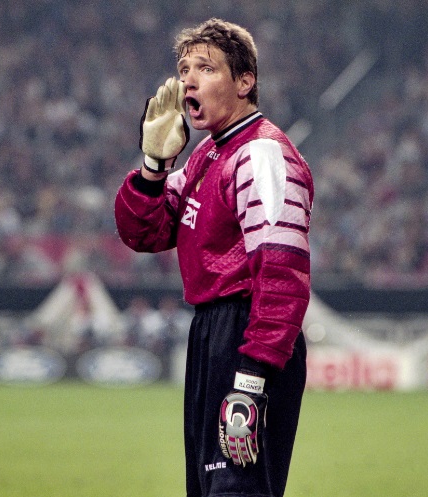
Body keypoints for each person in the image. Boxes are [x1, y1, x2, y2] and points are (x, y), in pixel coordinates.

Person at [114, 18, 313, 497]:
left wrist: (252, 378)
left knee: (236, 491)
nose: (189, 81)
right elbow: (144, 232)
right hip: (210, 333)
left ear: (245, 82)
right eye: (184, 70)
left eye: (206, 68)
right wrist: (154, 167)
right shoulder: (208, 155)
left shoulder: (260, 153)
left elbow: (281, 271)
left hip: (245, 334)